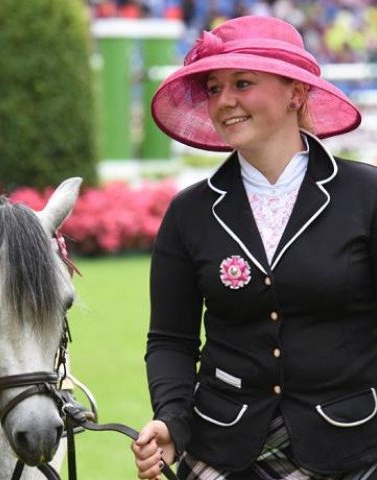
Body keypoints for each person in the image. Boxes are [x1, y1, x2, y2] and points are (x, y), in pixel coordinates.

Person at [131, 15, 377, 480]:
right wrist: (171, 420)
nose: (224, 102)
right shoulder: (189, 212)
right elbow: (171, 340)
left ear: (295, 94)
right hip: (222, 452)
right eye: (213, 88)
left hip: (356, 449)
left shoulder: (366, 195)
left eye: (242, 83)